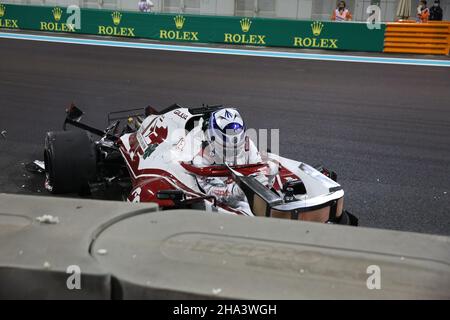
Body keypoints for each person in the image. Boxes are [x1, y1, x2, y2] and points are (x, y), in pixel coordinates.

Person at [192, 108, 277, 214]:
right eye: (227, 138)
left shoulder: (247, 143)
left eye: (237, 137)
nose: (233, 142)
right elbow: (212, 193)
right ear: (213, 136)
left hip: (245, 195)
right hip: (223, 203)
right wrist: (239, 190)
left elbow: (258, 171)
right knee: (246, 209)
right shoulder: (202, 159)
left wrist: (269, 177)